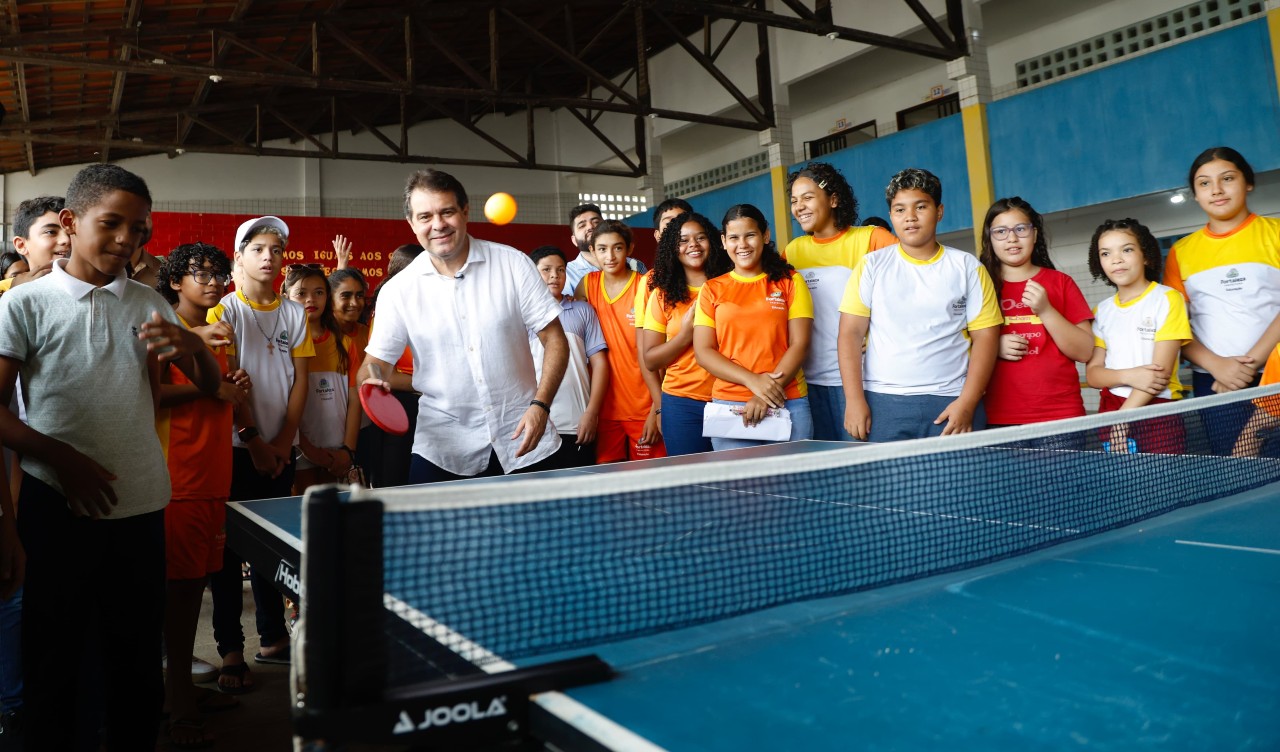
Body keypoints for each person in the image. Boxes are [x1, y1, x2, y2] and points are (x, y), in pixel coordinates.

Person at [0, 163, 221, 751]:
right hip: (57, 507)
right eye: (113, 223)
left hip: (142, 506)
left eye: (140, 230)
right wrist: (61, 459)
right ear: (70, 223)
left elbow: (206, 383)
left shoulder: (149, 302)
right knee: (55, 662)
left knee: (136, 665)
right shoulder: (26, 305)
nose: (128, 239)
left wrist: (193, 351)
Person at [360, 169, 569, 483]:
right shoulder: (398, 290)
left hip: (524, 438)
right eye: (425, 216)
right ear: (412, 223)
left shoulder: (512, 264)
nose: (438, 225)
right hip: (442, 449)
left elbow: (555, 340)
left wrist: (541, 405)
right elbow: (372, 366)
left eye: (446, 212)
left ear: (465, 211)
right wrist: (373, 381)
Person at [207, 215, 314, 694]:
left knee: (272, 548)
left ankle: (272, 639)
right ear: (239, 258)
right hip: (235, 448)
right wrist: (253, 440)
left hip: (279, 449)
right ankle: (230, 646)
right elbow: (227, 385)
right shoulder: (222, 313)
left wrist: (282, 441)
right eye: (258, 248)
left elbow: (300, 382)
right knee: (228, 552)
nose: (269, 256)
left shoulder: (294, 313)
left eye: (276, 249)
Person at [155, 243, 248, 747]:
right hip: (179, 476)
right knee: (179, 592)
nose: (212, 282)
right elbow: (152, 392)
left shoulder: (219, 330)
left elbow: (218, 391)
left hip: (213, 474)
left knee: (193, 588)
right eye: (199, 273)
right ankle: (176, 699)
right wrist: (212, 387)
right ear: (174, 280)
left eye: (218, 273)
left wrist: (232, 380)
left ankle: (178, 688)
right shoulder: (160, 326)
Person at [837, 168, 1002, 442]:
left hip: (951, 400)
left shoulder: (967, 267)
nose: (910, 217)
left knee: (957, 486)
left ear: (939, 211)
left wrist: (968, 402)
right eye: (899, 209)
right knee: (887, 486)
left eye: (921, 207)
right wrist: (854, 400)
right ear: (891, 215)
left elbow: (986, 337)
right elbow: (849, 334)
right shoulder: (871, 266)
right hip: (883, 402)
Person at [1164, 147, 1280, 454]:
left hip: (1274, 378)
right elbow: (1174, 327)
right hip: (1213, 382)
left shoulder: (1276, 233)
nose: (1216, 190)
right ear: (1196, 194)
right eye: (1204, 183)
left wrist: (1249, 363)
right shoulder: (1181, 252)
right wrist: (1217, 365)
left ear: (1248, 182)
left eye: (1227, 178)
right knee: (1232, 475)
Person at [784, 162, 896, 441]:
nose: (799, 207)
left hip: (861, 383)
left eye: (808, 197)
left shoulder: (873, 238)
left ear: (833, 199)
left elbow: (911, 292)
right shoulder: (793, 251)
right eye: (794, 201)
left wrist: (882, 333)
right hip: (807, 386)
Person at [693, 204, 814, 449]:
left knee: (793, 487)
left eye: (750, 235)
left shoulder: (791, 281)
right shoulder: (711, 289)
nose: (743, 245)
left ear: (765, 236)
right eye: (734, 238)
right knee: (741, 488)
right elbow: (703, 352)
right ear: (724, 242)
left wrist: (764, 394)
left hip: (787, 400)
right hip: (730, 406)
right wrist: (753, 382)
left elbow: (800, 344)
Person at [978, 197, 1094, 431]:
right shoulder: (979, 286)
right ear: (990, 239)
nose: (1012, 238)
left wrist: (1046, 310)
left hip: (1060, 416)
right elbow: (957, 348)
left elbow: (1084, 351)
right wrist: (991, 346)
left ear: (1035, 234)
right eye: (1000, 231)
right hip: (997, 417)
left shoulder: (1061, 283)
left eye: (1020, 229)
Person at [1086, 218, 1191, 454]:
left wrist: (1123, 421)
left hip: (1157, 410)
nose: (1116, 259)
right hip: (1111, 408)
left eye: (1127, 249)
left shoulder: (1168, 299)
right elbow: (1093, 375)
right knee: (1120, 485)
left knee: (1163, 485)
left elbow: (1159, 374)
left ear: (1145, 255)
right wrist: (1129, 375)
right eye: (1105, 253)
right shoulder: (1101, 311)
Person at [576, 220, 667, 462]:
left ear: (630, 249)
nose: (610, 256)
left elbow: (661, 352)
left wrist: (654, 410)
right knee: (610, 485)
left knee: (650, 485)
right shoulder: (586, 285)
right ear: (592, 252)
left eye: (617, 248)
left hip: (643, 405)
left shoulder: (645, 285)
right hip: (604, 409)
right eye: (602, 249)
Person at [643, 211, 732, 455]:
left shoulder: (732, 286)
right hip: (682, 403)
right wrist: (684, 335)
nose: (693, 245)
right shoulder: (661, 295)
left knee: (738, 485)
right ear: (672, 248)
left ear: (713, 242)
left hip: (732, 398)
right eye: (683, 240)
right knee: (693, 485)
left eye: (700, 237)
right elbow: (650, 359)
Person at [283, 264, 361, 492]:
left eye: (319, 292)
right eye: (301, 293)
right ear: (286, 297)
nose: (311, 299)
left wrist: (348, 450)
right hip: (299, 451)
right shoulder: (284, 346)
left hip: (338, 453)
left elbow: (355, 400)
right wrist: (309, 450)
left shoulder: (344, 344)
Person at [530, 246, 610, 467]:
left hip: (576, 424)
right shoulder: (520, 315)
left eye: (561, 270)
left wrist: (591, 413)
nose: (555, 275)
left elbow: (600, 365)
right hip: (534, 425)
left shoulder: (583, 310)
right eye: (546, 270)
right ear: (532, 274)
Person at [359, 247, 419, 487]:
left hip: (426, 406)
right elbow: (379, 372)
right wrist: (430, 384)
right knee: (394, 483)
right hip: (399, 406)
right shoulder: (388, 308)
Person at [563, 203, 647, 295]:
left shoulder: (635, 265)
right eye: (582, 225)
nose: (590, 227)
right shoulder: (566, 273)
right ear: (574, 240)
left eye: (596, 222)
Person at [0, 196, 69, 296]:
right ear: (21, 245)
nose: (66, 240)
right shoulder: (6, 290)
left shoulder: (95, 286)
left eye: (71, 232)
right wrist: (14, 295)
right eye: (51, 232)